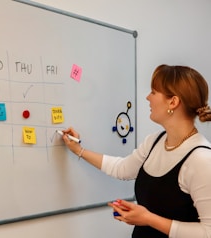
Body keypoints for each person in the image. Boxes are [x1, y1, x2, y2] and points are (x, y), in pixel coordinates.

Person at [61, 64, 211, 238]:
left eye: (154, 92)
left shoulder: (202, 160)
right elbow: (121, 168)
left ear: (173, 102)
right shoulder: (155, 141)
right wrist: (79, 150)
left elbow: (208, 231)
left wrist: (148, 218)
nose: (148, 97)